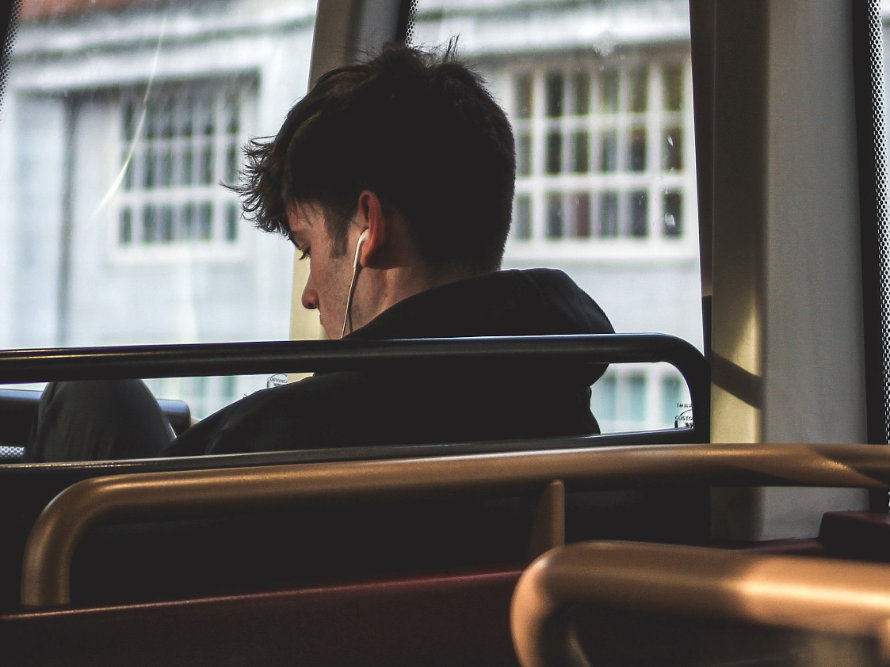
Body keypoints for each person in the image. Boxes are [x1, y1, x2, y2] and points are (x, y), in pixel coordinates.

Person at [25, 42, 613, 462]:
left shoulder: (290, 440)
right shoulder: (576, 423)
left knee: (89, 391)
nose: (309, 292)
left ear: (369, 229)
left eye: (308, 250)